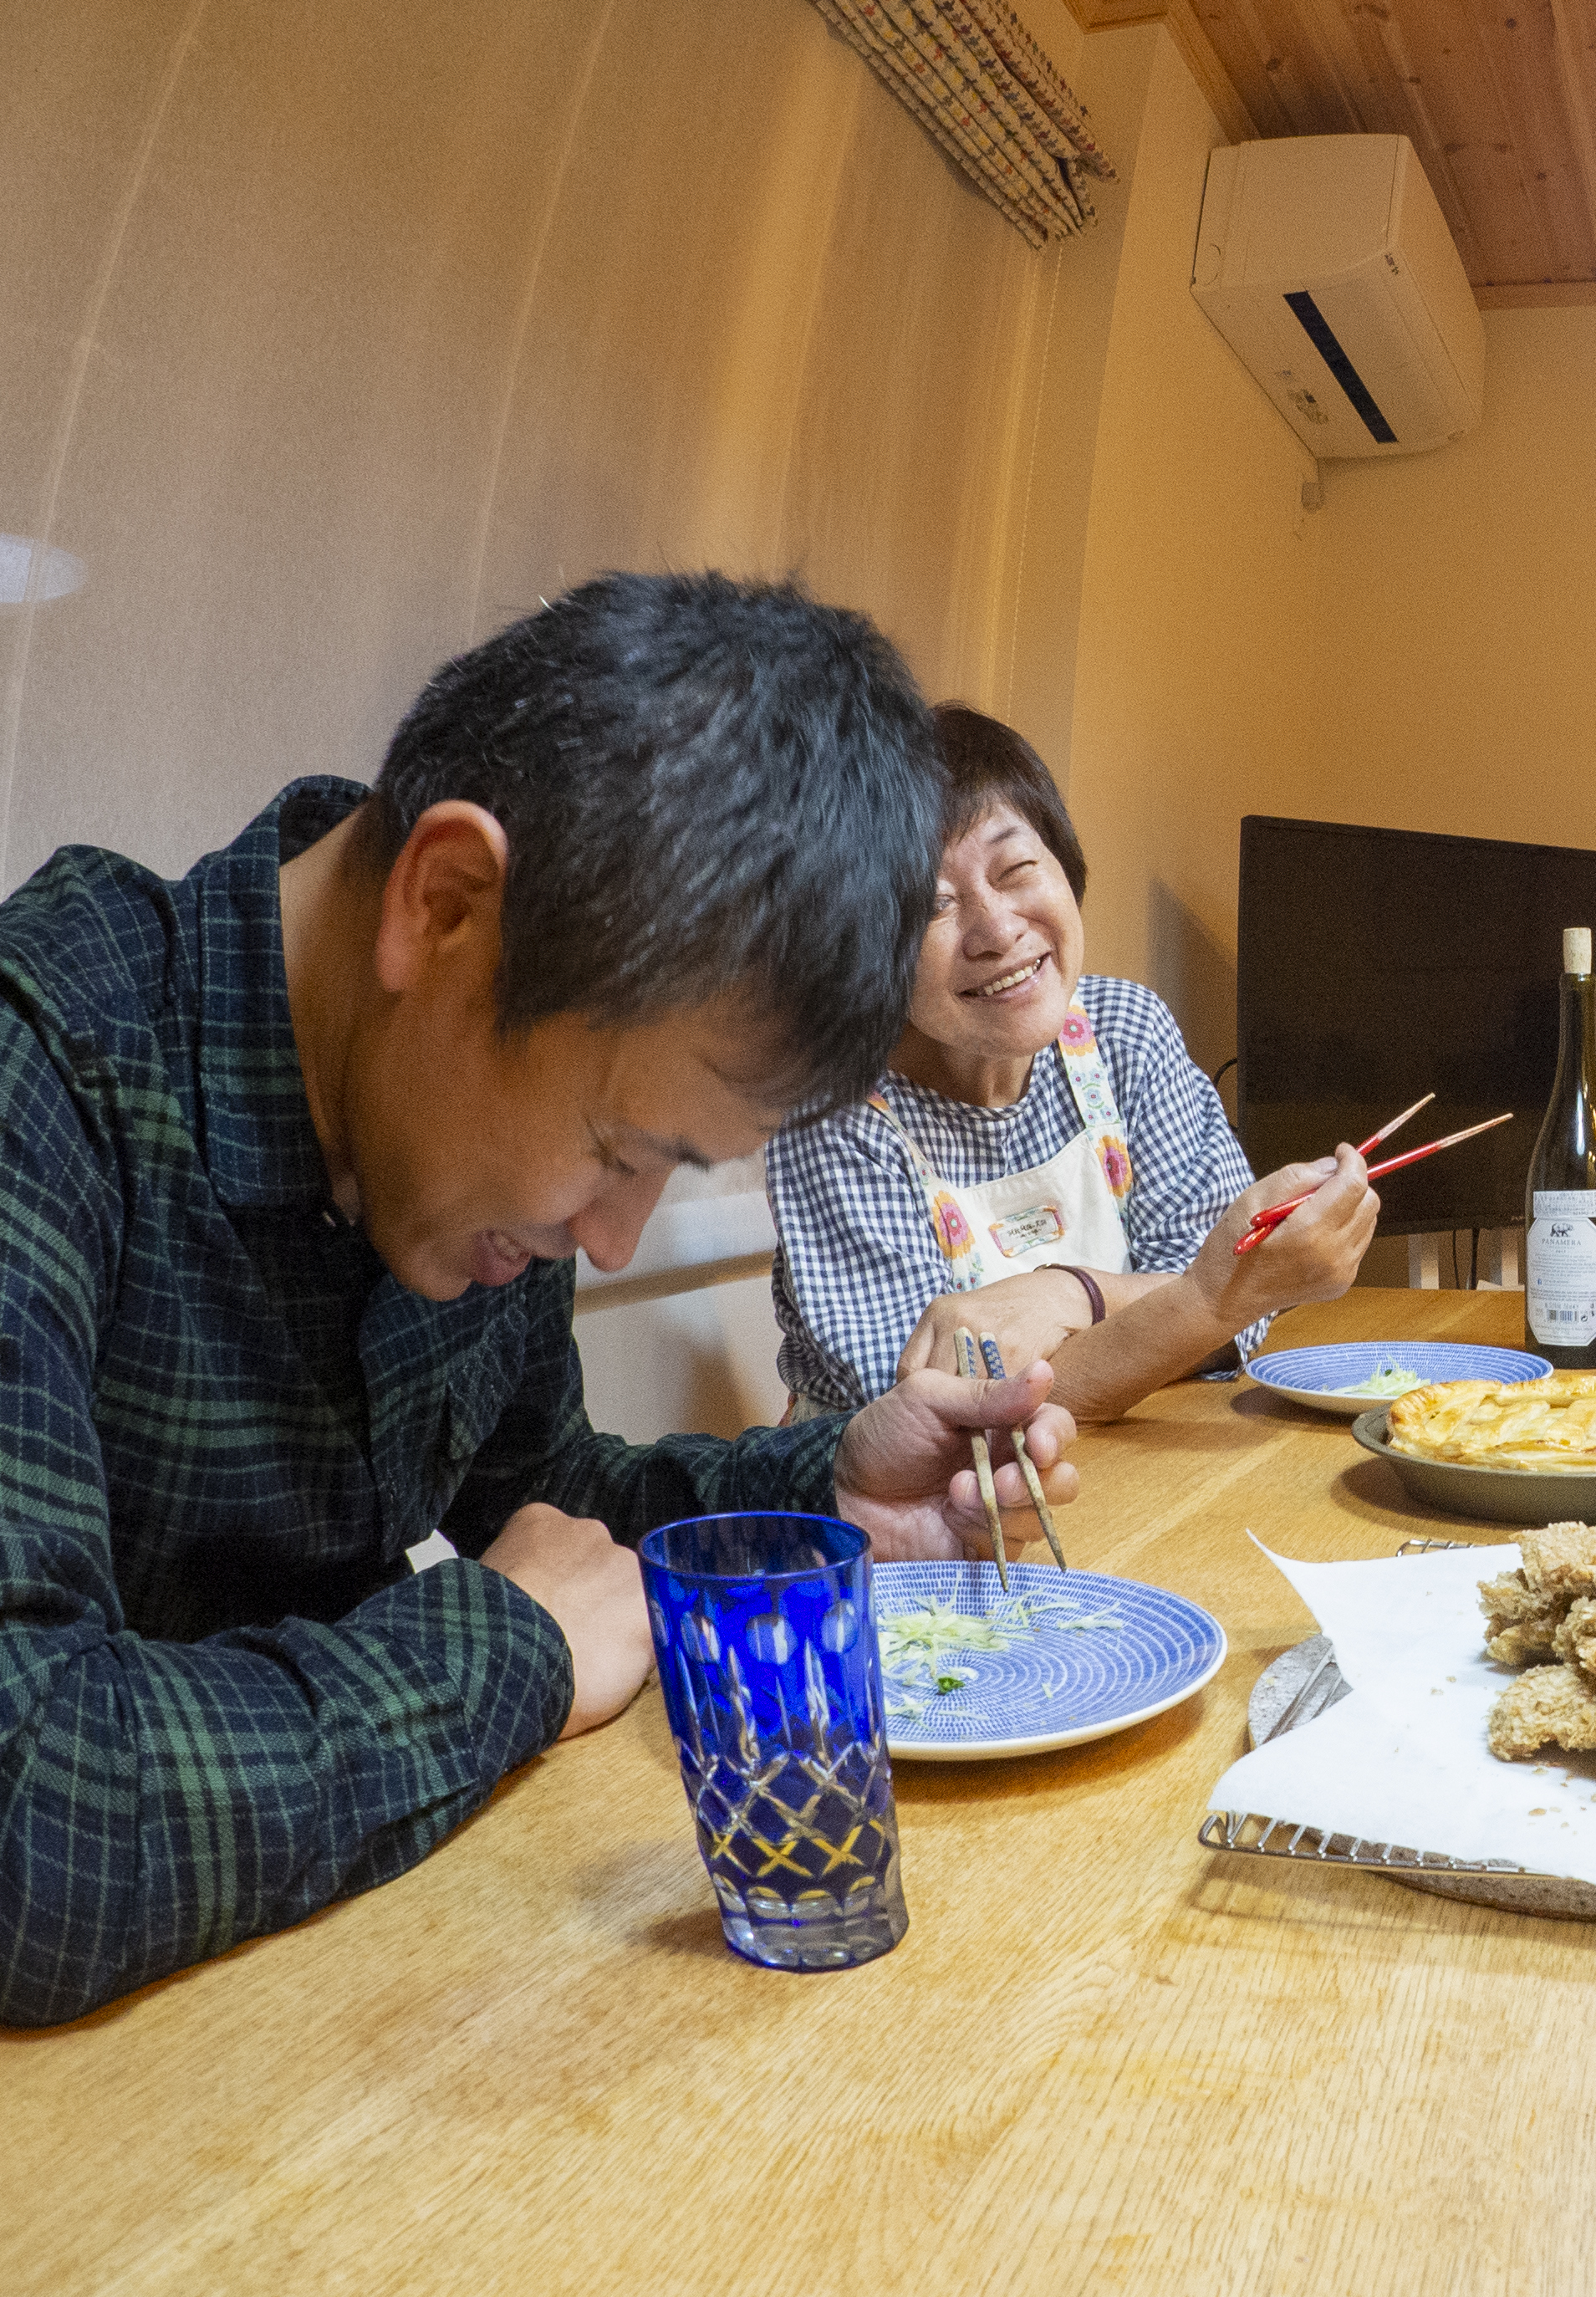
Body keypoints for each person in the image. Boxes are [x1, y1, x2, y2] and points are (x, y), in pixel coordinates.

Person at [0, 574, 1079, 2027]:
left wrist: (831, 1489)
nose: (617, 1240)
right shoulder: (44, 1074)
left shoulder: (457, 1141)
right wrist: (503, 1646)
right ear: (447, 905)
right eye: (622, 1151)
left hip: (322, 2000)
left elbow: (556, 1493)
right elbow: (34, 1810)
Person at [765, 707, 1375, 1425]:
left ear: (1063, 863)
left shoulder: (1125, 1033)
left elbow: (1240, 1322)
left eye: (1016, 869)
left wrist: (1065, 1293)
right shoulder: (830, 1110)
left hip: (1126, 1466)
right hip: (912, 1523)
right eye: (934, 907)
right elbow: (944, 1417)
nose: (996, 930)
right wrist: (1198, 1299)